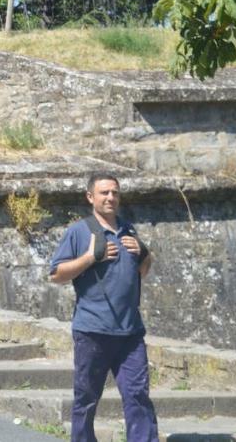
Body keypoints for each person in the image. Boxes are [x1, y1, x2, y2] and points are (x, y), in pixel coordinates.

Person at [49, 173, 158, 442]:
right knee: (86, 398)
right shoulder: (79, 231)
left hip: (130, 332)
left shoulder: (127, 229)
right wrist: (90, 257)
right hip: (92, 330)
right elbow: (56, 275)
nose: (111, 198)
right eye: (104, 193)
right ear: (90, 197)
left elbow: (143, 271)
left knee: (137, 395)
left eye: (115, 193)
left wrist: (144, 252)